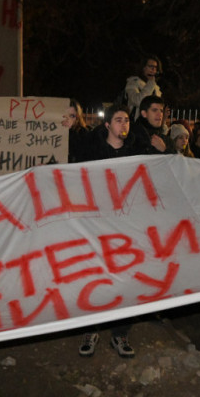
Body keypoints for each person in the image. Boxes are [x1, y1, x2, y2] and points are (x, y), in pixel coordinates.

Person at [78, 104, 137, 358]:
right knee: (95, 278)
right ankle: (91, 329)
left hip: (126, 230)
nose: (123, 125)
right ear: (107, 126)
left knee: (124, 281)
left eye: (126, 121)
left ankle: (120, 334)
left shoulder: (137, 153)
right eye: (118, 120)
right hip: (97, 227)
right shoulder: (92, 153)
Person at [125, 55, 162, 121]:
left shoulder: (155, 88)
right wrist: (150, 83)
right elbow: (139, 101)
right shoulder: (133, 83)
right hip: (136, 124)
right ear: (143, 67)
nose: (153, 69)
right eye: (151, 66)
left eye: (155, 67)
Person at [62, 99, 91, 163]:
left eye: (72, 116)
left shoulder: (83, 134)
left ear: (77, 117)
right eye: (65, 115)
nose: (68, 119)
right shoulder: (53, 132)